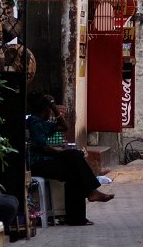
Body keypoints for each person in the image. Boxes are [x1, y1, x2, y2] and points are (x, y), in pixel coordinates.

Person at [27, 95, 114, 225]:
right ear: (45, 110)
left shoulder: (42, 123)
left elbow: (64, 127)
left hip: (45, 161)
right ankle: (90, 194)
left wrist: (55, 109)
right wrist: (62, 154)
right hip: (37, 163)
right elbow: (44, 148)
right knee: (74, 156)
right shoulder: (34, 123)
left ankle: (77, 217)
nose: (50, 113)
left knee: (74, 172)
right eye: (49, 110)